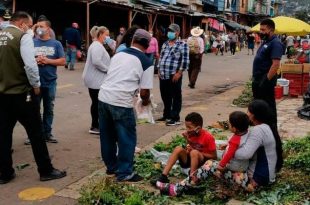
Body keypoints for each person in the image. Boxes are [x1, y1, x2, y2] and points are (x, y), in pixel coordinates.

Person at [159, 100, 283, 196]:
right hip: (263, 177)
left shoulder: (258, 131)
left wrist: (230, 150)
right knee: (217, 159)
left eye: (249, 111)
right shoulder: (264, 127)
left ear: (255, 115)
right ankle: (190, 182)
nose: (247, 114)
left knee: (210, 165)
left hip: (255, 182)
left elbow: (245, 154)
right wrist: (229, 148)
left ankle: (178, 188)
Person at [0, 11, 66, 184]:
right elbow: (30, 65)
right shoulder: (23, 37)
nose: (31, 29)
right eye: (29, 26)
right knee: (36, 133)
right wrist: (36, 86)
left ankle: (5, 172)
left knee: (4, 135)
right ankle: (46, 170)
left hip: (3, 95)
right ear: (22, 24)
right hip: (22, 94)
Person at [98, 29, 154, 182]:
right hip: (121, 102)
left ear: (132, 41)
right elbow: (144, 93)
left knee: (107, 136)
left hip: (103, 98)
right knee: (127, 138)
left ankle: (111, 168)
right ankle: (124, 173)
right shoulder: (146, 62)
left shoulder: (118, 54)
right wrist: (146, 102)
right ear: (148, 45)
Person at [24, 18, 65, 145]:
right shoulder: (31, 42)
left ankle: (47, 133)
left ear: (48, 28)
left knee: (49, 109)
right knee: (34, 110)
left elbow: (63, 61)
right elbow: (25, 59)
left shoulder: (56, 44)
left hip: (50, 82)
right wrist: (35, 61)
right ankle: (34, 135)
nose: (38, 29)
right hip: (35, 82)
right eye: (37, 26)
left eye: (41, 26)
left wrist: (47, 61)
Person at [155, 112, 217, 189]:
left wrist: (196, 151)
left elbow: (214, 156)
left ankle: (191, 179)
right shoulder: (191, 134)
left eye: (189, 127)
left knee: (194, 152)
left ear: (198, 128)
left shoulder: (208, 137)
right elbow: (191, 147)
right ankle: (163, 176)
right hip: (191, 160)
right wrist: (188, 141)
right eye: (186, 127)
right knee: (178, 148)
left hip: (202, 162)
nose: (187, 130)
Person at [252, 18, 284, 126]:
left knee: (267, 107)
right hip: (258, 79)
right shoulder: (266, 42)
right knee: (258, 107)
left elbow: (275, 64)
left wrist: (265, 80)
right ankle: (260, 129)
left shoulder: (275, 43)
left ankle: (271, 130)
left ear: (271, 30)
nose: (260, 32)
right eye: (260, 29)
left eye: (263, 30)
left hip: (265, 81)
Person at [157, 23, 189, 126]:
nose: (170, 33)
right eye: (169, 31)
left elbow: (185, 60)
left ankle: (175, 117)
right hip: (163, 74)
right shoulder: (165, 44)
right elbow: (161, 57)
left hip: (174, 74)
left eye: (172, 31)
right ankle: (166, 114)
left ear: (177, 32)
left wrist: (179, 72)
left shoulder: (182, 44)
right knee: (165, 95)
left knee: (176, 96)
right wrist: (158, 69)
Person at [82, 26, 111, 135]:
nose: (108, 38)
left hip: (96, 79)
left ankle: (96, 125)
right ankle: (94, 126)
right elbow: (97, 62)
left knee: (96, 103)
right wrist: (108, 70)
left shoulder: (98, 45)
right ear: (100, 34)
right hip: (95, 80)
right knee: (97, 103)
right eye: (106, 35)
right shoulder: (97, 46)